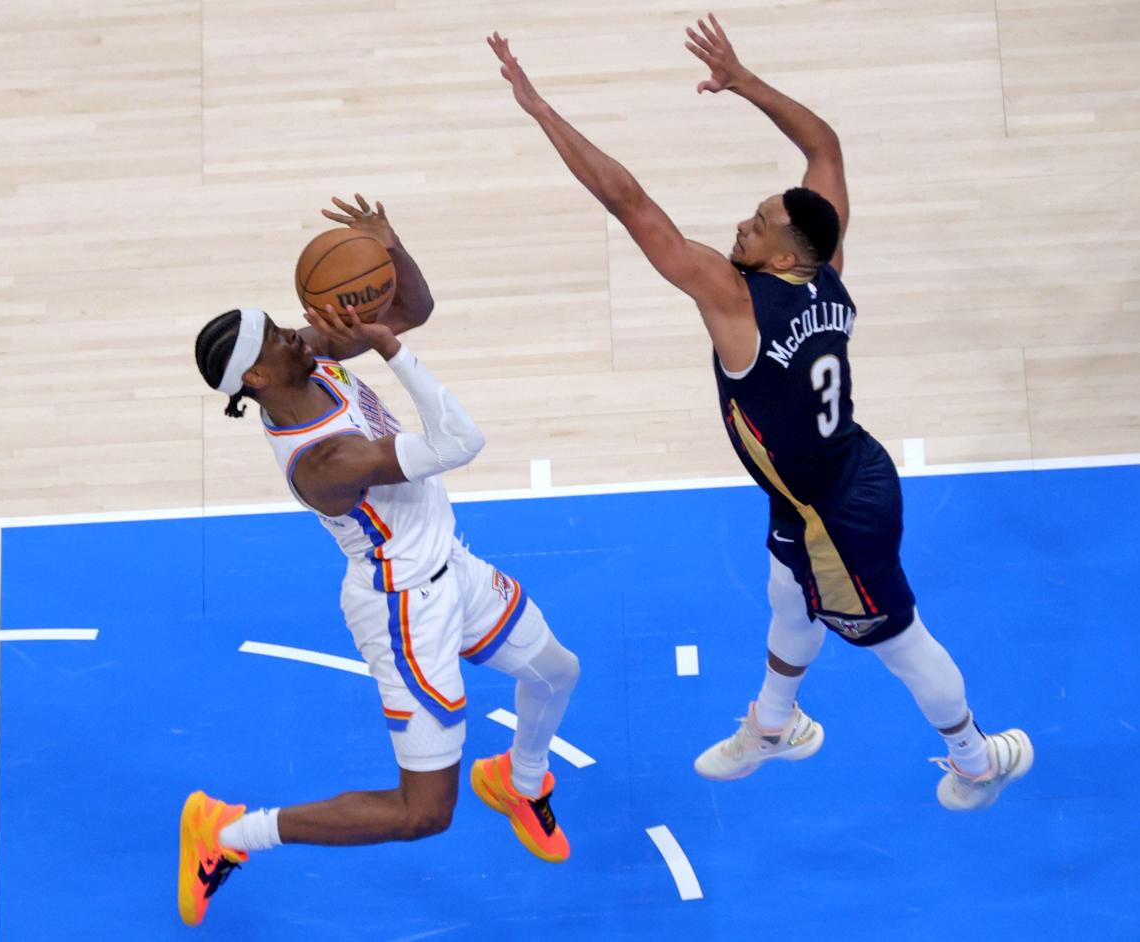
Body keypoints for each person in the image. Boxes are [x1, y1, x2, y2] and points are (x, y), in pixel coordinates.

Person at [486, 16, 1031, 812]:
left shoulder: (733, 300)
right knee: (787, 594)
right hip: (825, 477)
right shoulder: (827, 267)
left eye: (760, 222)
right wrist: (742, 81)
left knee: (899, 642)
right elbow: (827, 149)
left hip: (836, 512)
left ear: (781, 256)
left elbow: (627, 199)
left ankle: (977, 761)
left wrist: (538, 109)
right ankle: (774, 725)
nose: (744, 221)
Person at [180, 210, 580, 928]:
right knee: (424, 814)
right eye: (277, 336)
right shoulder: (323, 462)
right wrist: (390, 352)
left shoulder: (297, 359)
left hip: (447, 567)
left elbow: (413, 308)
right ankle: (226, 833)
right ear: (257, 377)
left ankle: (520, 781)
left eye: (283, 324)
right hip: (404, 611)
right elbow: (461, 440)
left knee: (557, 671)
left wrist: (389, 251)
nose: (295, 331)